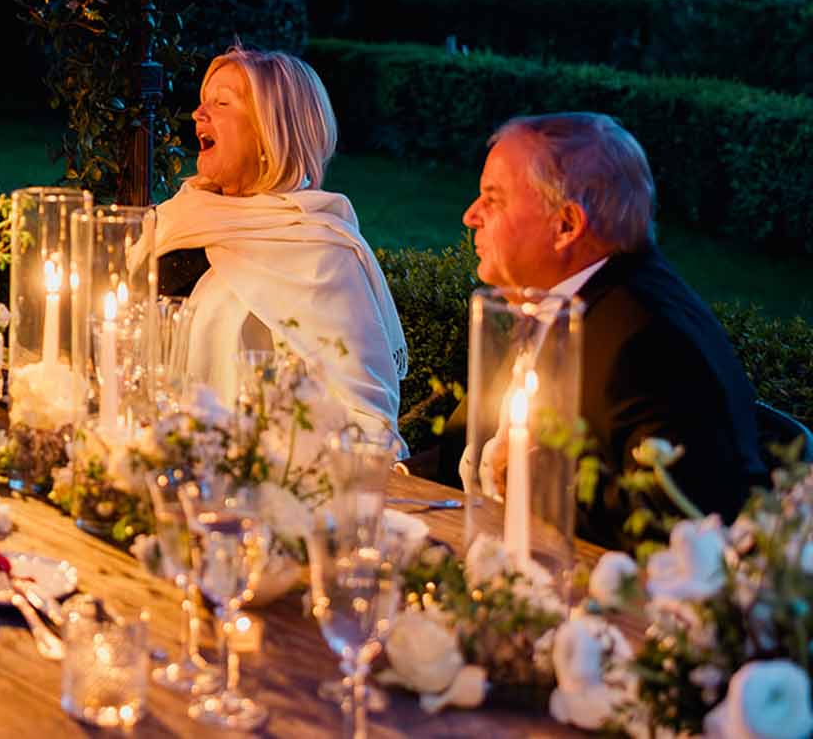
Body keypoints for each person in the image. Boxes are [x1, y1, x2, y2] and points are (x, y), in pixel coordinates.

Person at [447, 112, 763, 549]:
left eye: (493, 199)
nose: (470, 215)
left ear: (566, 226)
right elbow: (460, 453)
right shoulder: (546, 299)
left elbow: (683, 518)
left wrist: (535, 482)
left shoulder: (647, 338)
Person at [136, 47, 407, 448]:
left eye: (221, 102)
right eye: (202, 102)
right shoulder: (180, 216)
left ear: (271, 132)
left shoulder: (318, 254)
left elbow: (366, 426)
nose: (198, 114)